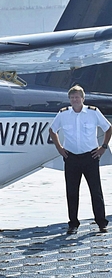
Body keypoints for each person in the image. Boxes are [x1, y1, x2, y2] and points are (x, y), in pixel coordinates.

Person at [48, 85, 111, 235]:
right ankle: (73, 224)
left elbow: (108, 128)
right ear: (69, 99)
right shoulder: (63, 114)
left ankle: (101, 223)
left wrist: (103, 147)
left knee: (96, 191)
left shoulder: (93, 113)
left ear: (83, 98)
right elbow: (52, 130)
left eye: (77, 97)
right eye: (72, 98)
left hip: (90, 156)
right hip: (71, 157)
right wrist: (59, 148)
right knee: (72, 192)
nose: (75, 100)